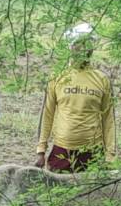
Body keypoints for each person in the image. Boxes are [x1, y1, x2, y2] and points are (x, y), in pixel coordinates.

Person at [35, 22, 115, 172]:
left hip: (92, 153)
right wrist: (41, 150)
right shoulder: (58, 77)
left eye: (88, 44)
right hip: (62, 151)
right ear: (71, 47)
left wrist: (110, 156)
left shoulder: (102, 79)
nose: (84, 48)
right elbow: (47, 114)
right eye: (79, 44)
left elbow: (108, 119)